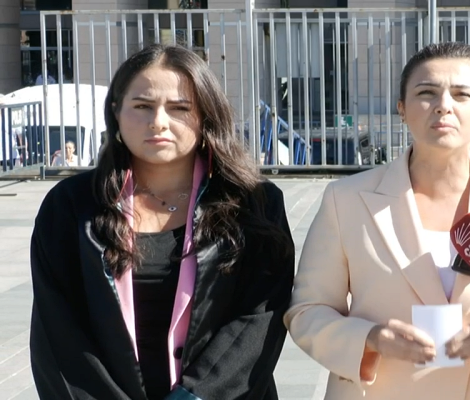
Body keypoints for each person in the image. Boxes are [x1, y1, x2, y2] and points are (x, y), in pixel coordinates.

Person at [283, 42, 470, 400]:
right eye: (426, 93)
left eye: (462, 94)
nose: (443, 105)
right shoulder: (346, 200)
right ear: (402, 109)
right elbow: (308, 311)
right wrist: (369, 340)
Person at [29, 44, 295, 400]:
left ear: (206, 115)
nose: (158, 122)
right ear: (116, 111)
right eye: (142, 106)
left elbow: (260, 317)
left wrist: (195, 396)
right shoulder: (70, 207)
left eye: (179, 108)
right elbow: (58, 330)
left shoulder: (254, 204)